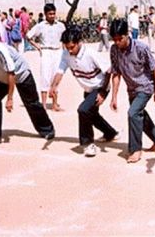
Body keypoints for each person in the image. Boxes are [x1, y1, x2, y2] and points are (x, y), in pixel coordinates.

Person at [0, 25, 56, 147]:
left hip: (20, 75)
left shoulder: (2, 51)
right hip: (2, 77)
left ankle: (47, 130)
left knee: (32, 103)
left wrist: (10, 98)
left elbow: (11, 74)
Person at [49, 26, 119, 157]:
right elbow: (60, 71)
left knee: (83, 110)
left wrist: (103, 93)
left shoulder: (90, 53)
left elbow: (109, 70)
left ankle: (88, 144)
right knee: (92, 115)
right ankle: (111, 133)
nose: (69, 51)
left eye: (72, 47)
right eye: (67, 47)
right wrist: (53, 86)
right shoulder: (65, 54)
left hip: (100, 87)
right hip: (88, 89)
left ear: (79, 42)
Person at [109, 19, 155, 163]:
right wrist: (114, 97)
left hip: (145, 87)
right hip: (131, 89)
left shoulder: (141, 48)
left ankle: (135, 149)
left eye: (120, 39)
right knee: (140, 115)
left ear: (127, 34)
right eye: (114, 39)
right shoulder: (114, 50)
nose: (117, 42)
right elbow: (116, 73)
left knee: (133, 113)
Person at [26, 4, 66, 111]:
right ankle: (43, 104)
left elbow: (65, 39)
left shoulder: (61, 25)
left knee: (55, 77)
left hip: (58, 51)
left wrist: (65, 52)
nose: (52, 16)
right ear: (45, 14)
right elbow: (28, 36)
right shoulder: (40, 26)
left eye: (53, 13)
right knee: (45, 76)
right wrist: (38, 47)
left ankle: (54, 103)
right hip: (46, 51)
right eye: (50, 14)